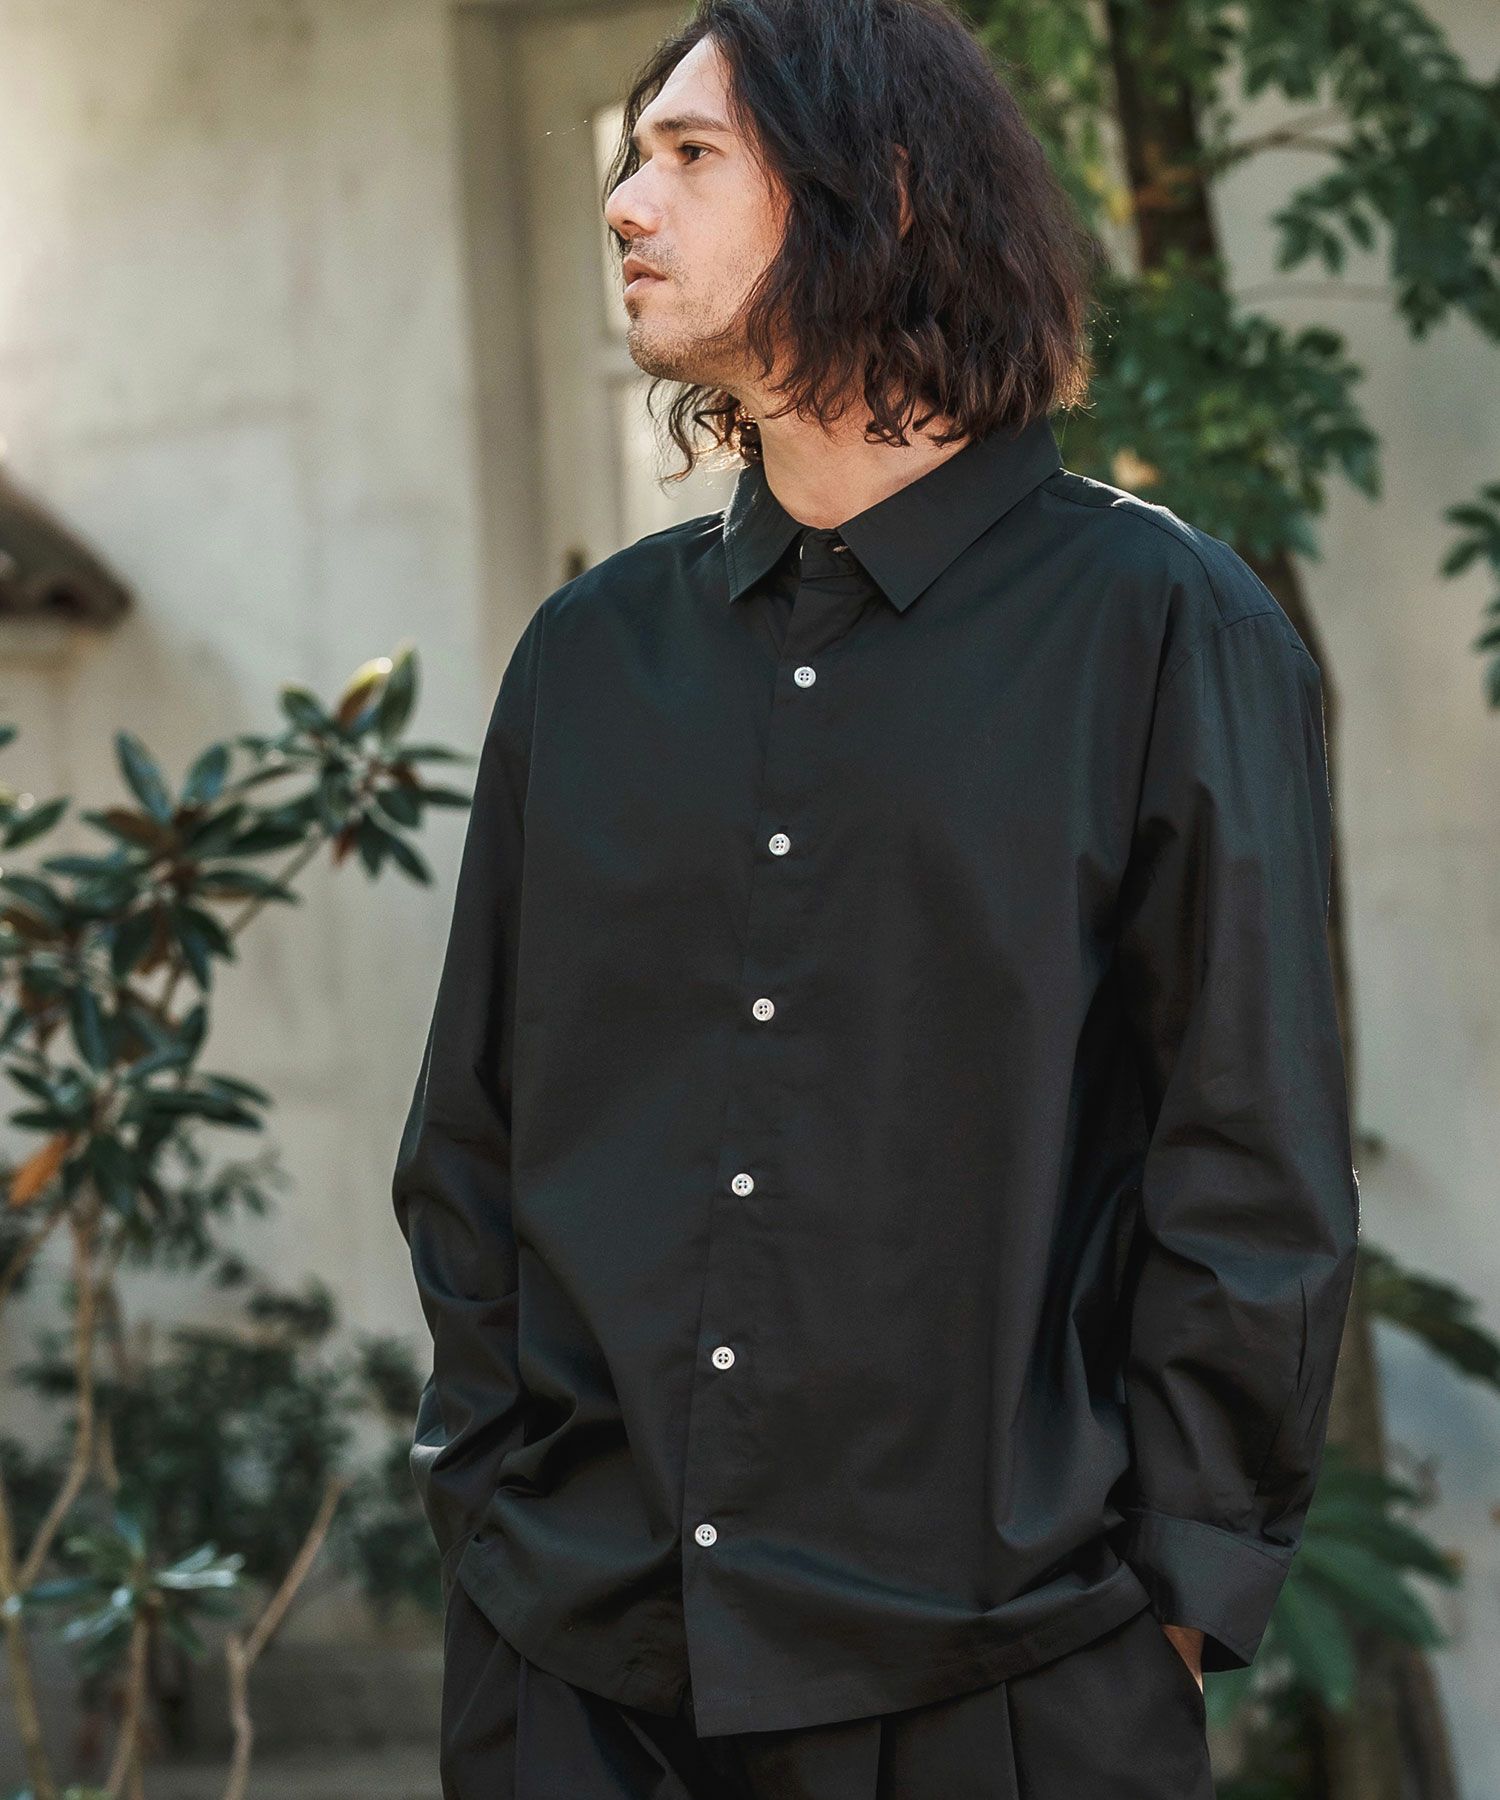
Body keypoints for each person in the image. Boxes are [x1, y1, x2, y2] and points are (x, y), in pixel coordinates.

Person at [391, 2, 1362, 1794]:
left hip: (1003, 1673)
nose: (624, 200)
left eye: (691, 155)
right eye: (633, 155)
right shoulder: (589, 658)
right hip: (578, 1662)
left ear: (886, 190)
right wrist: (487, 1501)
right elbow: (473, 1138)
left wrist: (1174, 1608)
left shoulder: (1164, 629)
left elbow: (1248, 1166)